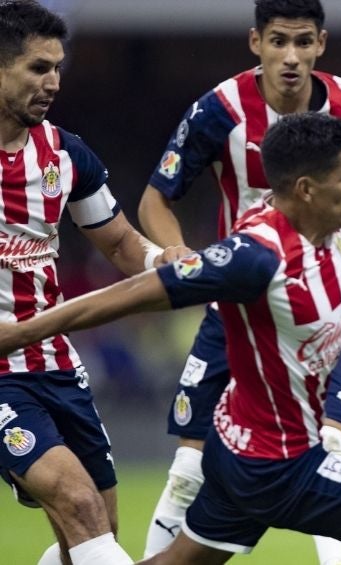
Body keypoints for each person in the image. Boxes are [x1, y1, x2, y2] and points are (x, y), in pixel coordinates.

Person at [0, 112, 341, 565]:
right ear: (306, 188)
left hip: (242, 454)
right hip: (279, 465)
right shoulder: (254, 256)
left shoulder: (339, 220)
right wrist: (21, 332)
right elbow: (134, 294)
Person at [135, 1, 341, 562]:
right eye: (279, 41)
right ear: (256, 42)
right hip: (236, 312)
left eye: (303, 42)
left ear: (321, 42)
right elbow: (155, 200)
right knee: (186, 470)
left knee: (330, 448)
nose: (291, 57)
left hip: (320, 308)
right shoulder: (219, 110)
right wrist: (174, 249)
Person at [0, 2, 185, 564]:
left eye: (58, 68)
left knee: (96, 525)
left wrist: (174, 261)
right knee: (78, 503)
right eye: (37, 68)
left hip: (55, 362)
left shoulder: (65, 154)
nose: (53, 82)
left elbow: (124, 245)